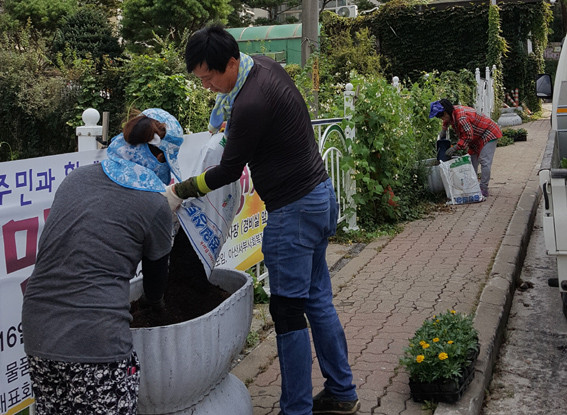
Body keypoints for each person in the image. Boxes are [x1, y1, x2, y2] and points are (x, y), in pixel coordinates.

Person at [162, 24, 359, 415]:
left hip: (294, 212)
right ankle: (342, 391)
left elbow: (228, 171)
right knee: (317, 300)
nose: (207, 87)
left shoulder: (250, 103)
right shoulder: (264, 67)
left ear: (231, 62)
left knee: (287, 312)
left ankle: (296, 409)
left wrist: (179, 191)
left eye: (209, 77)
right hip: (320, 197)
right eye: (200, 79)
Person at [21, 108, 184, 414]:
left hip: (38, 329)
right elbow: (155, 283)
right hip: (96, 340)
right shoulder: (154, 205)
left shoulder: (75, 179)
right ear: (161, 158)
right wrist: (152, 305)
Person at [429, 99, 501, 197]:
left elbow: (468, 136)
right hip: (477, 137)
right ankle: (473, 186)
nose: (442, 119)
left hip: (488, 133)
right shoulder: (451, 113)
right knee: (472, 161)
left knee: (484, 161)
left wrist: (455, 148)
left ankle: (484, 188)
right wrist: (443, 131)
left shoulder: (461, 118)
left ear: (445, 112)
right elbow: (447, 121)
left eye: (442, 116)